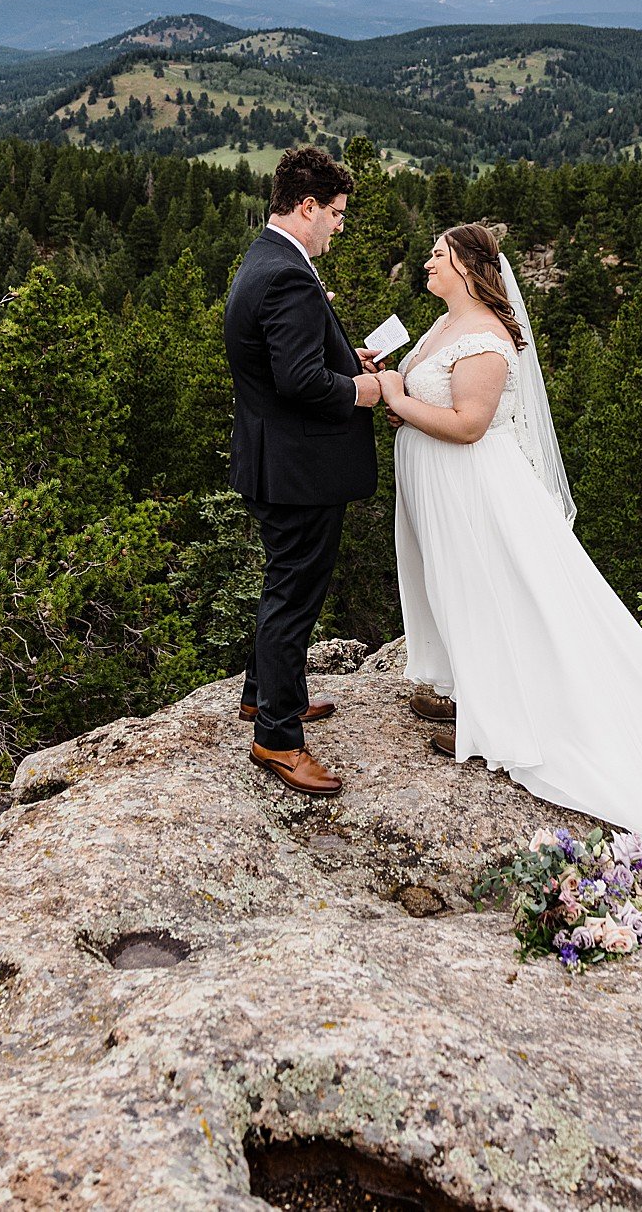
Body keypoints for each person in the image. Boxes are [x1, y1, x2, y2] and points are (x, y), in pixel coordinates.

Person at [378, 223, 642, 878]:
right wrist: (395, 394)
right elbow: (422, 401)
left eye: (437, 255)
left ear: (469, 267)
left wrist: (395, 401)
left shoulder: (487, 339)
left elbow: (468, 427)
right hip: (439, 490)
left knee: (490, 595)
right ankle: (467, 688)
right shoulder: (439, 326)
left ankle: (502, 723)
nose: (427, 263)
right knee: (455, 590)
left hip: (478, 492)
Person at [222, 145, 384, 796]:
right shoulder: (288, 274)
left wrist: (347, 357)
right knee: (294, 598)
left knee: (283, 586)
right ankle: (278, 740)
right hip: (297, 467)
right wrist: (363, 391)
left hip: (272, 459)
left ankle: (263, 697)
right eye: (337, 213)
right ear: (308, 206)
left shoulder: (267, 257)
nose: (340, 225)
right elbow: (294, 379)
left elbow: (284, 357)